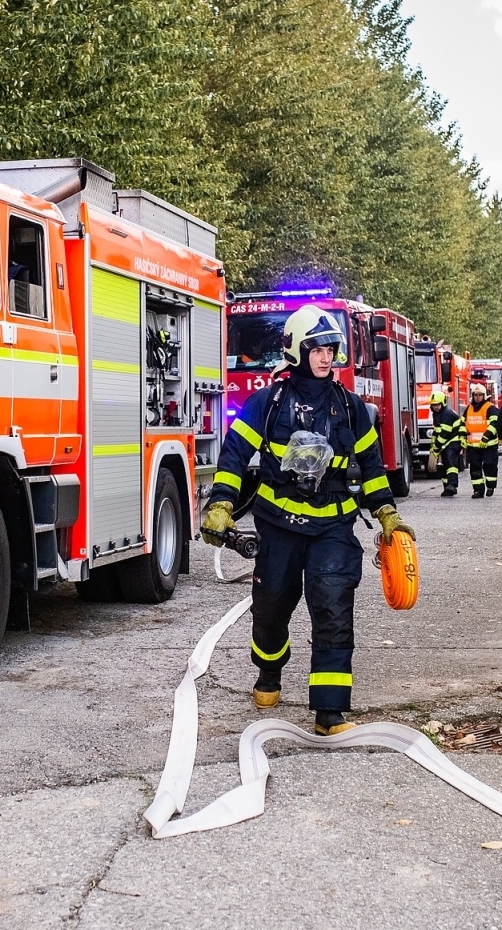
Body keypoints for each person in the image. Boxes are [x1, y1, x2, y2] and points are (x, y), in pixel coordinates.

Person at [199, 304, 413, 736]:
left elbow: (371, 467)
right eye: (316, 348)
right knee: (272, 605)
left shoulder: (351, 409)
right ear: (297, 349)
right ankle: (270, 668)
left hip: (333, 527)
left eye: (331, 349)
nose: (325, 356)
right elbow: (235, 456)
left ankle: (329, 710)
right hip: (278, 524)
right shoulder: (268, 402)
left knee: (333, 606)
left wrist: (387, 514)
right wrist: (221, 503)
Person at [462, 383, 501, 498]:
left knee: (489, 465)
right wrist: (462, 437)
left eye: (480, 395)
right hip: (473, 446)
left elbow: (494, 424)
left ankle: (490, 486)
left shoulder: (490, 408)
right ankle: (478, 490)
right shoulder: (468, 409)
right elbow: (462, 424)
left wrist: (486, 437)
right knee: (474, 468)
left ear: (484, 396)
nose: (477, 397)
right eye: (475, 395)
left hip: (488, 445)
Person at [429, 388, 465, 498]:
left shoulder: (447, 414)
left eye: (438, 404)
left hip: (454, 440)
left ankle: (452, 486)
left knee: (450, 461)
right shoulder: (437, 414)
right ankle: (447, 486)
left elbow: (444, 433)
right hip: (446, 441)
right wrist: (433, 444)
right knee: (443, 465)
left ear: (443, 403)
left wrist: (436, 448)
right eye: (434, 405)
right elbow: (437, 431)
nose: (436, 407)